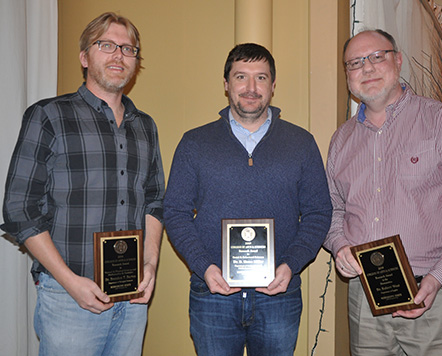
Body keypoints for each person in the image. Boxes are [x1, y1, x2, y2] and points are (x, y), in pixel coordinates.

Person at [323, 29, 442, 356]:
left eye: (378, 56)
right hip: (367, 301)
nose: (368, 68)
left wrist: (436, 279)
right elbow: (332, 210)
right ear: (347, 74)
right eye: (355, 63)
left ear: (398, 60)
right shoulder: (341, 141)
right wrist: (340, 246)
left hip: (440, 300)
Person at [1, 12, 164, 356]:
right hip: (69, 298)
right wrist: (70, 282)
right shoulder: (48, 116)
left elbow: (154, 201)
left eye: (128, 48)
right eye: (106, 45)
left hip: (133, 296)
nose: (118, 55)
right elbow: (20, 208)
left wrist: (149, 265)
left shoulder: (145, 126)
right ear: (84, 57)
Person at [163, 43, 332, 356]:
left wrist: (291, 264)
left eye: (261, 78)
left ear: (273, 86)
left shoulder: (301, 143)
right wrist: (203, 267)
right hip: (211, 293)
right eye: (241, 77)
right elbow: (175, 212)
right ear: (226, 84)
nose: (251, 88)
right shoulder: (194, 143)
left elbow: (318, 213)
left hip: (279, 295)